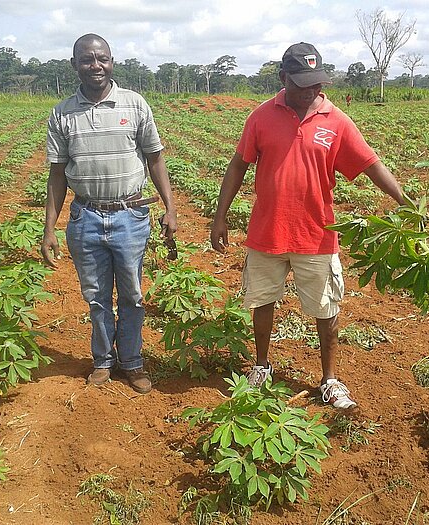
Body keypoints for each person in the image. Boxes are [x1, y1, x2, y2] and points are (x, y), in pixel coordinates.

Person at [210, 42, 405, 409]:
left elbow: (371, 165)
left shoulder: (337, 120)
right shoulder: (261, 116)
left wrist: (405, 203)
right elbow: (238, 165)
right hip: (267, 230)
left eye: (316, 83)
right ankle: (262, 365)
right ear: (283, 79)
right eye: (302, 83)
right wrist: (220, 217)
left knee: (326, 307)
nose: (312, 90)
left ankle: (330, 378)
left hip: (317, 234)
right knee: (263, 300)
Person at [42, 33, 177, 394]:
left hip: (129, 215)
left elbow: (155, 158)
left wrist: (170, 206)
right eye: (87, 59)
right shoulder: (61, 114)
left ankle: (132, 361)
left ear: (112, 61)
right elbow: (57, 174)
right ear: (75, 65)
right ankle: (103, 360)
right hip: (85, 217)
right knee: (97, 297)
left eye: (102, 58)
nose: (95, 66)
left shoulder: (134, 105)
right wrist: (49, 229)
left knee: (132, 295)